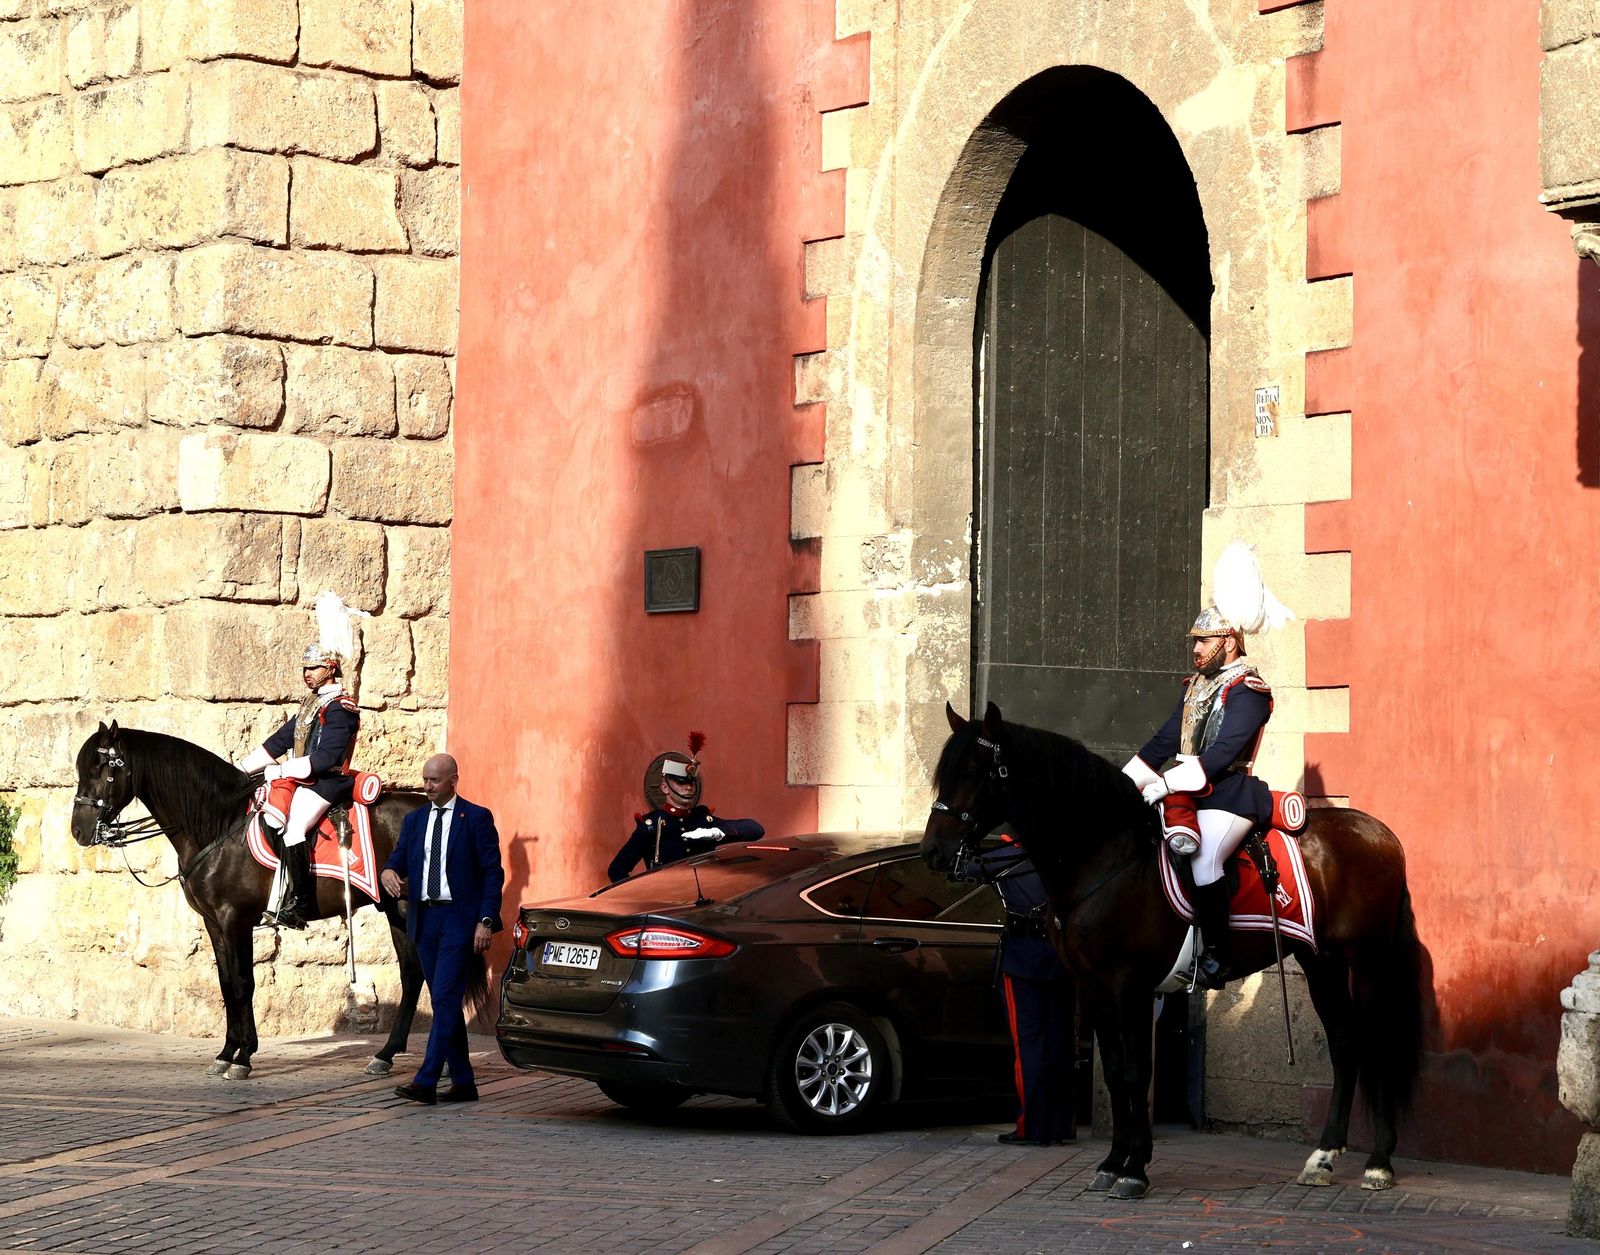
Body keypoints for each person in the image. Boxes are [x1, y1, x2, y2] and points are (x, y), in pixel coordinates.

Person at [1121, 543, 1293, 990]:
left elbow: (1219, 756)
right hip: (1187, 790)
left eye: (1203, 640)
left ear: (1229, 641)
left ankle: (1217, 954)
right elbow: (1163, 740)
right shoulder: (1197, 686)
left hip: (1230, 794)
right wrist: (1123, 783)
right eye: (1195, 641)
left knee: (1203, 860)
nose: (1195, 648)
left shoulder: (1249, 690)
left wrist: (1162, 785)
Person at [381, 753, 504, 1105]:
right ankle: (464, 1081)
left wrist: (485, 921)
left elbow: (493, 874)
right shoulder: (415, 819)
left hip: (459, 920)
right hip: (424, 920)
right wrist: (389, 872)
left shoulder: (476, 818)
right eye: (424, 780)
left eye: (434, 780)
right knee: (442, 1001)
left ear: (453, 779)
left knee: (447, 998)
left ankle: (427, 1079)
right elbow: (398, 858)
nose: (427, 786)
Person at [237, 591, 362, 929]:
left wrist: (279, 770)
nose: (307, 673)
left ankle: (299, 904)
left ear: (331, 668)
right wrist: (240, 770)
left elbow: (324, 759)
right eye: (305, 668)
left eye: (314, 667)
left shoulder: (341, 708)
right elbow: (277, 743)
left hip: (328, 782)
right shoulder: (310, 705)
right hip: (303, 777)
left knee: (295, 828)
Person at [962, 834, 1075, 1146]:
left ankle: (1033, 1127)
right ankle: (1059, 1125)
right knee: (1058, 1042)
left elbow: (962, 868)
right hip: (1062, 955)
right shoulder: (1064, 852)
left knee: (1030, 1047)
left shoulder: (1004, 854)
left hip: (1023, 957)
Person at [606, 733, 764, 882]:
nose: (688, 787)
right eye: (681, 783)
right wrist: (641, 898)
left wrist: (715, 832)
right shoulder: (652, 826)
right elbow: (616, 869)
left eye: (691, 783)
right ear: (665, 788)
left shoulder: (703, 819)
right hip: (667, 904)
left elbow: (756, 829)